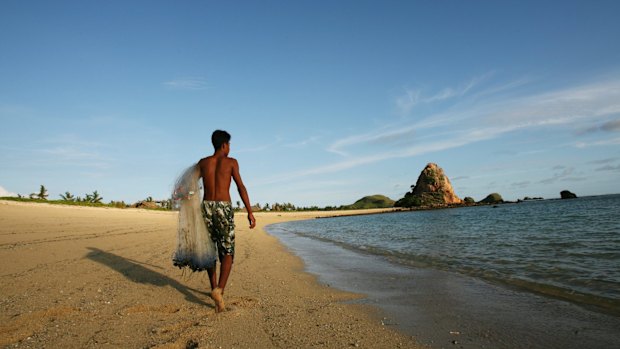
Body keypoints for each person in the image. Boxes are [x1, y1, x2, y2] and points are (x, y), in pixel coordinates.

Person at [198, 130, 256, 312]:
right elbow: (241, 187)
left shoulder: (203, 163)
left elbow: (188, 184)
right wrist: (250, 211)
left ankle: (214, 288)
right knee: (227, 252)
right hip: (223, 208)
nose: (230, 148)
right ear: (224, 145)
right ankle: (219, 290)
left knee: (210, 251)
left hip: (206, 207)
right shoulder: (231, 162)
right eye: (229, 144)